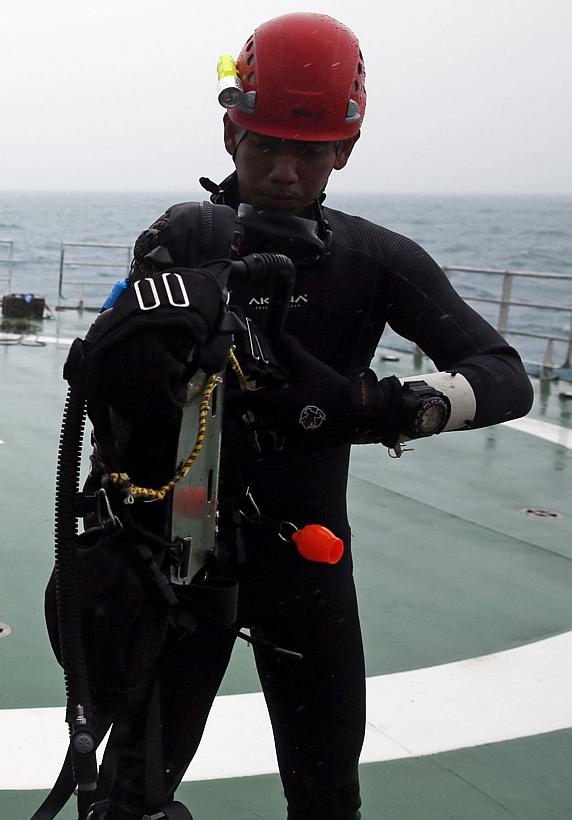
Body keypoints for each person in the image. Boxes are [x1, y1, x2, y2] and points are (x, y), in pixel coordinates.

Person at [85, 13, 535, 819]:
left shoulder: (375, 260)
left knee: (328, 796)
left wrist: (383, 406)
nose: (287, 174)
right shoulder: (182, 239)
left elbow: (505, 378)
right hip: (181, 567)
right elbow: (111, 387)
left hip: (308, 568)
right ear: (231, 134)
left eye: (311, 152)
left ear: (345, 151)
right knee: (130, 797)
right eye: (266, 148)